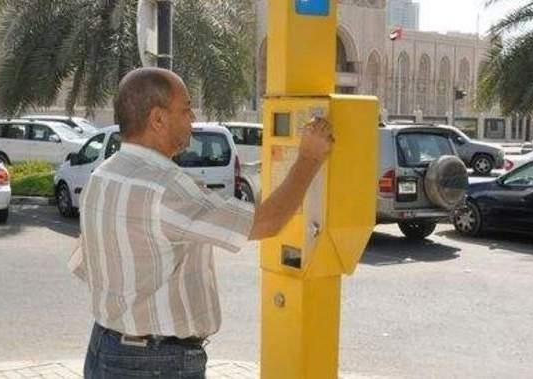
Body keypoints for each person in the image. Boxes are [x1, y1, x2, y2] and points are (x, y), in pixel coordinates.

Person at [69, 67, 334, 378]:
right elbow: (269, 222)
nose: (192, 118)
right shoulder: (166, 188)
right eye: (186, 108)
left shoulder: (103, 176)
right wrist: (309, 158)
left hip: (105, 346)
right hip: (155, 362)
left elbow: (89, 265)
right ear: (158, 119)